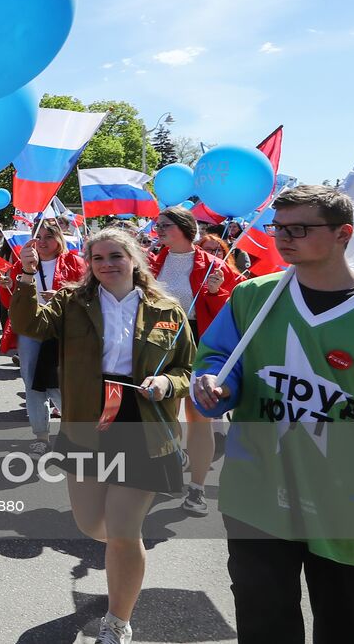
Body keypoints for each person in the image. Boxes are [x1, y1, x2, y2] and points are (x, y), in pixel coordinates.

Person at [192, 186, 354, 644]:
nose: (283, 238)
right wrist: (214, 386)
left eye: (300, 228)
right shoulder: (252, 298)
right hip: (259, 492)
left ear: (343, 234)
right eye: (278, 227)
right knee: (263, 622)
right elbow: (217, 360)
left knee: (348, 627)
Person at [11, 227, 196, 644]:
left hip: (143, 420)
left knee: (124, 532)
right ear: (89, 264)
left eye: (116, 256)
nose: (107, 264)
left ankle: (117, 620)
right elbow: (27, 323)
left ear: (134, 259)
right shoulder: (71, 302)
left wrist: (167, 384)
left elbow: (186, 369)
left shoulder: (167, 309)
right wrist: (24, 274)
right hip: (88, 418)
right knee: (93, 524)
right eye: (98, 258)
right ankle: (121, 555)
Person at [146, 206, 242, 515]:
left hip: (200, 344)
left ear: (185, 228)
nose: (159, 229)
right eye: (157, 224)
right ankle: (177, 459)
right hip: (161, 347)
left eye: (166, 225)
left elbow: (235, 312)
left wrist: (215, 292)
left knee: (199, 418)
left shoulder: (214, 265)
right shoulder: (149, 263)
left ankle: (197, 489)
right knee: (165, 414)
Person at [17, 220, 87, 453]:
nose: (43, 241)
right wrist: (11, 285)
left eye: (49, 236)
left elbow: (90, 296)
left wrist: (61, 296)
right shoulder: (24, 262)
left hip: (63, 331)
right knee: (32, 383)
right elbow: (13, 304)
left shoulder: (75, 262)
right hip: (31, 331)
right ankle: (42, 436)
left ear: (59, 238)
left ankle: (75, 431)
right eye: (39, 236)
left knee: (63, 383)